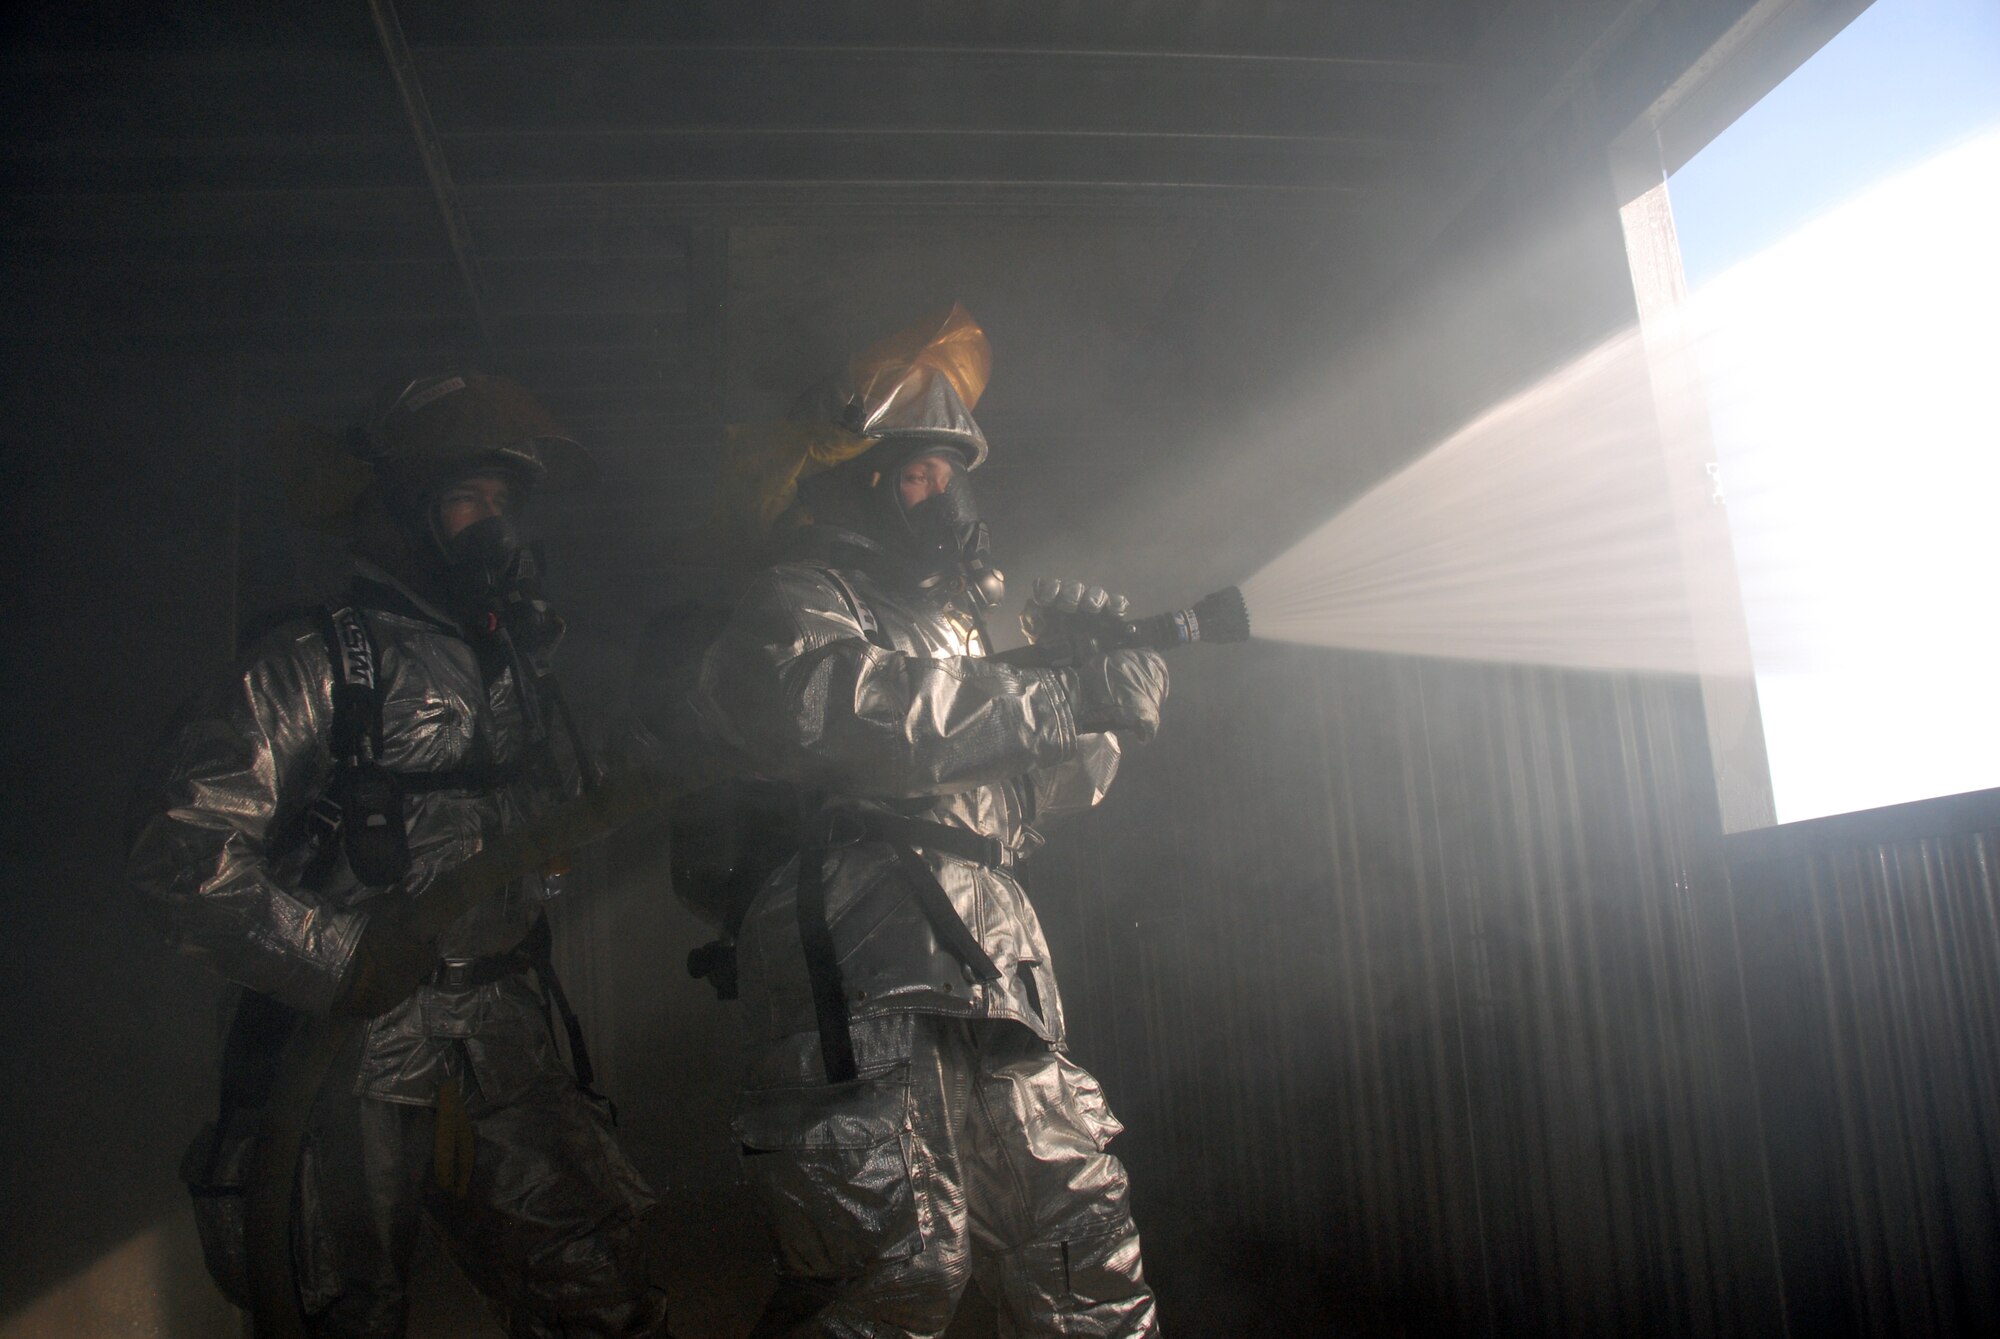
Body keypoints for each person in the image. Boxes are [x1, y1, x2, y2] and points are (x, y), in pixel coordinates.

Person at [127, 373, 668, 1337]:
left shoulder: (518, 670)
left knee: (599, 1286)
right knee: (344, 1309)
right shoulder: (312, 660)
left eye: (505, 506)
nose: (493, 530)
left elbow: (566, 825)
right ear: (403, 513)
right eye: (470, 501)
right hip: (346, 1047)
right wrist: (335, 956)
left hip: (505, 1028)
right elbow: (183, 849)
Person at [669, 306, 1167, 1335]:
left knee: (1077, 1240)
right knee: (893, 1270)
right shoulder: (797, 597)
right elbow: (844, 709)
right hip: (852, 971)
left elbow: (1020, 801)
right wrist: (1046, 700)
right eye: (913, 476)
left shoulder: (959, 628)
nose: (941, 500)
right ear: (854, 487)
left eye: (951, 474)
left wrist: (1099, 699)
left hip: (995, 974)